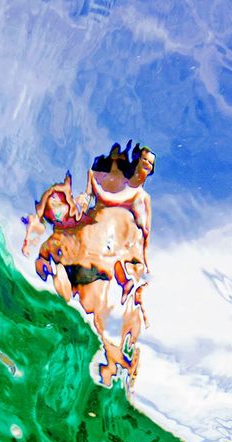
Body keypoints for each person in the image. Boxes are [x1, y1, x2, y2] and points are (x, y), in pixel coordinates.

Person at [23, 142, 156, 386]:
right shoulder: (97, 178)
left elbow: (144, 233)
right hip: (90, 243)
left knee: (97, 316)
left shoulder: (141, 199)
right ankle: (108, 361)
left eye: (151, 164)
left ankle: (117, 364)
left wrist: (142, 265)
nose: (147, 166)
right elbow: (84, 201)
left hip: (109, 251)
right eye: (145, 161)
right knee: (85, 308)